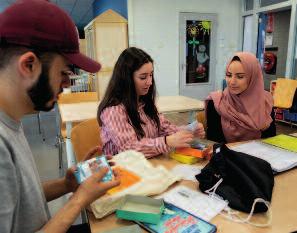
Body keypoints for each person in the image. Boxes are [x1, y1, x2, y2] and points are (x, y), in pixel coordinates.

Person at [0, 1, 120, 233]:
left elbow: (21, 199)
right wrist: (78, 200)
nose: (66, 84)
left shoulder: (12, 121)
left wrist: (66, 185)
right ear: (28, 64)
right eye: (64, 72)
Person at [97, 47, 205, 158]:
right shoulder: (113, 110)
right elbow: (129, 149)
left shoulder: (143, 102)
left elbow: (163, 128)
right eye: (143, 77)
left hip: (149, 165)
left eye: (151, 75)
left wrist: (189, 131)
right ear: (126, 79)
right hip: (124, 170)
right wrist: (166, 142)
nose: (149, 82)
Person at [206, 52, 276, 143]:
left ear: (253, 78)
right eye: (229, 75)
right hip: (227, 155)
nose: (232, 82)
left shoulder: (265, 102)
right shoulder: (217, 103)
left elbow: (270, 140)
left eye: (240, 76)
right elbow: (214, 143)